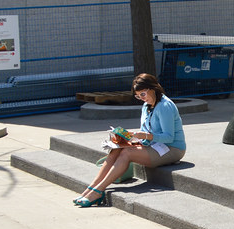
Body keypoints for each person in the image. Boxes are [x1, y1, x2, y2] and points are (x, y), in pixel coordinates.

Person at [74, 73, 186, 207]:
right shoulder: (146, 106)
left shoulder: (164, 106)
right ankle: (91, 188)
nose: (141, 98)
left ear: (153, 88)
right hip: (154, 145)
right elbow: (146, 131)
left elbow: (169, 137)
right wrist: (129, 138)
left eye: (143, 94)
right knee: (117, 149)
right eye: (138, 96)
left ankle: (99, 190)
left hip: (172, 148)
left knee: (127, 153)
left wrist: (144, 136)